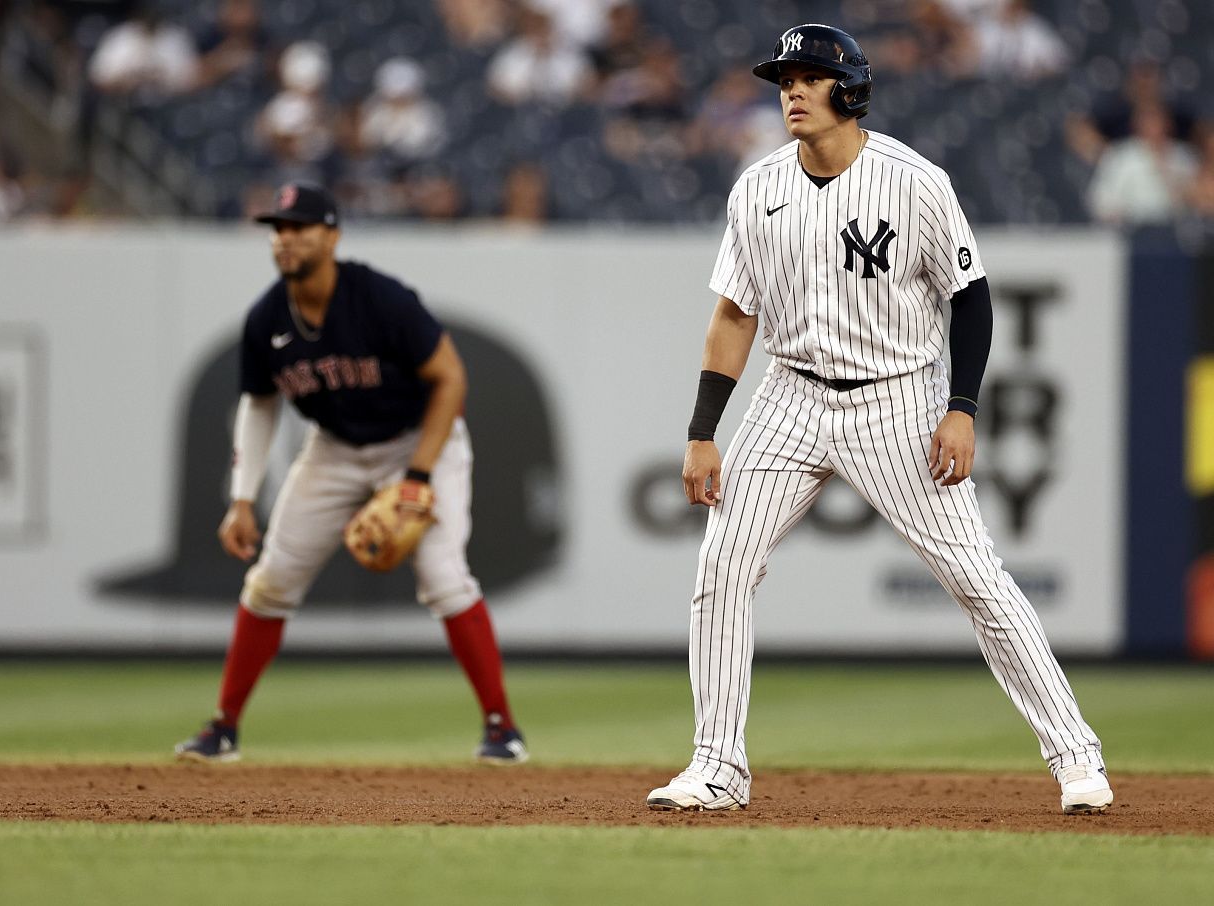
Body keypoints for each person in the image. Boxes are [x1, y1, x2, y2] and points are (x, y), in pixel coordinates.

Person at [644, 24, 1112, 816]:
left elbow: (971, 298)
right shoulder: (756, 189)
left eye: (809, 76)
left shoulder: (914, 182)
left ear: (851, 89)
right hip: (790, 395)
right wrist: (701, 430)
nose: (793, 90)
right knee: (722, 566)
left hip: (895, 397)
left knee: (976, 580)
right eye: (784, 79)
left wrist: (961, 408)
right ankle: (717, 767)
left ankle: (1076, 758)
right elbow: (734, 315)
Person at [175, 182, 528, 765]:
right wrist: (242, 499)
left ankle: (502, 727)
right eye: (278, 229)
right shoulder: (266, 319)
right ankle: (223, 728)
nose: (286, 239)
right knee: (271, 580)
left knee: (443, 576)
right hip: (334, 448)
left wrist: (418, 476)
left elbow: (451, 378)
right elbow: (259, 404)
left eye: (300, 227)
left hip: (420, 439)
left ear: (332, 236)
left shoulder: (379, 298)